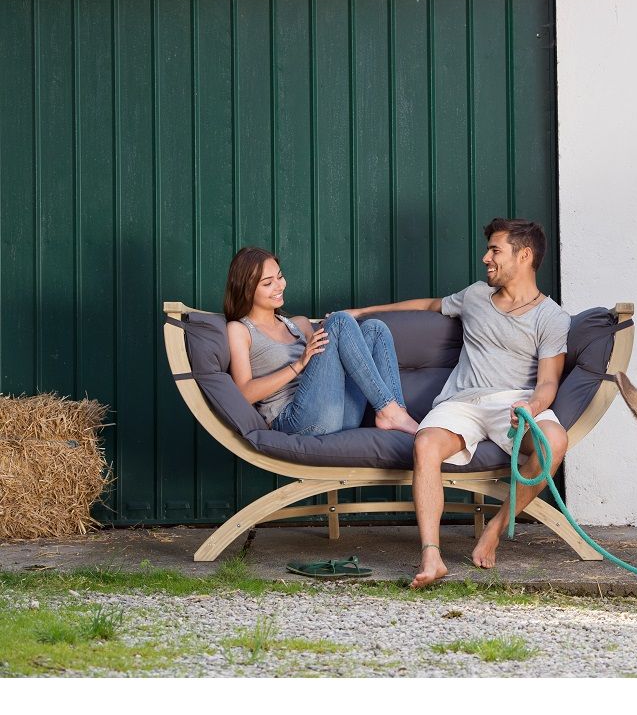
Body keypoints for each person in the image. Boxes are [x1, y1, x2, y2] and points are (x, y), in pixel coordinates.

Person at [350, 218, 570, 586]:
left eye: (495, 250)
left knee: (555, 442)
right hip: (462, 401)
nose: (486, 258)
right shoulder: (474, 296)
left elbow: (548, 381)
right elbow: (428, 304)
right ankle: (431, 555)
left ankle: (496, 529)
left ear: (525, 255)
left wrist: (531, 408)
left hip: (514, 404)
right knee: (425, 443)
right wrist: (363, 313)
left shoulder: (552, 317)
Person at [224, 246, 420, 438]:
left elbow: (325, 370)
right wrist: (299, 363)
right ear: (247, 290)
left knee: (375, 329)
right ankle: (389, 410)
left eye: (280, 276)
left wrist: (336, 336)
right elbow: (244, 393)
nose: (279, 286)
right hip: (295, 420)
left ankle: (396, 411)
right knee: (340, 321)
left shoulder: (299, 323)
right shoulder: (240, 330)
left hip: (339, 414)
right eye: (268, 283)